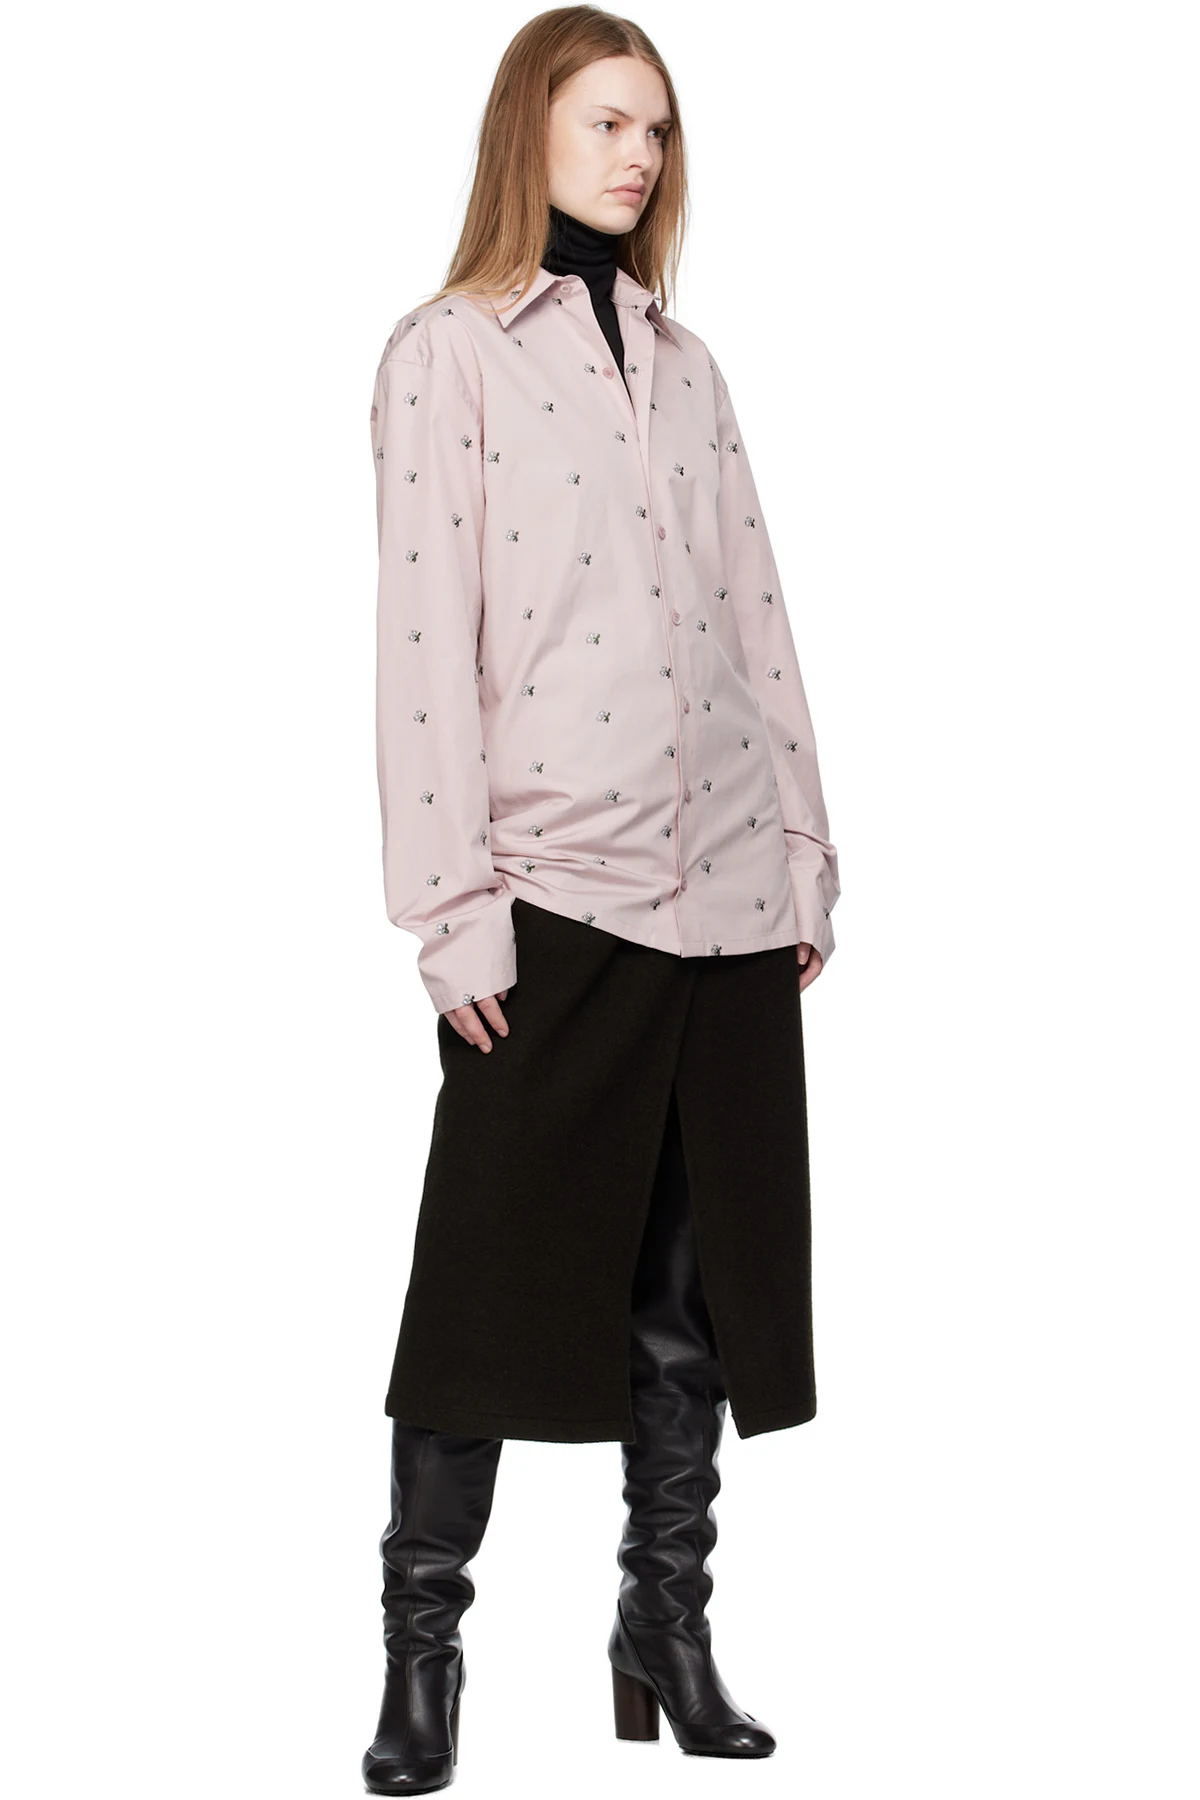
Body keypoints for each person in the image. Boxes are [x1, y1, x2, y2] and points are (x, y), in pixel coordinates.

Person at [362, 8, 840, 1792]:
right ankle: (422, 1654)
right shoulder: (448, 355)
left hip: (727, 889)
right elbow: (425, 643)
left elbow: (755, 613)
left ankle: (667, 1625)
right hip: (554, 888)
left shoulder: (690, 367)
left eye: (657, 129)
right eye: (607, 123)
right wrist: (449, 910)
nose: (639, 156)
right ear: (532, 133)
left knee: (691, 1308)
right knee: (482, 1296)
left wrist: (806, 848)